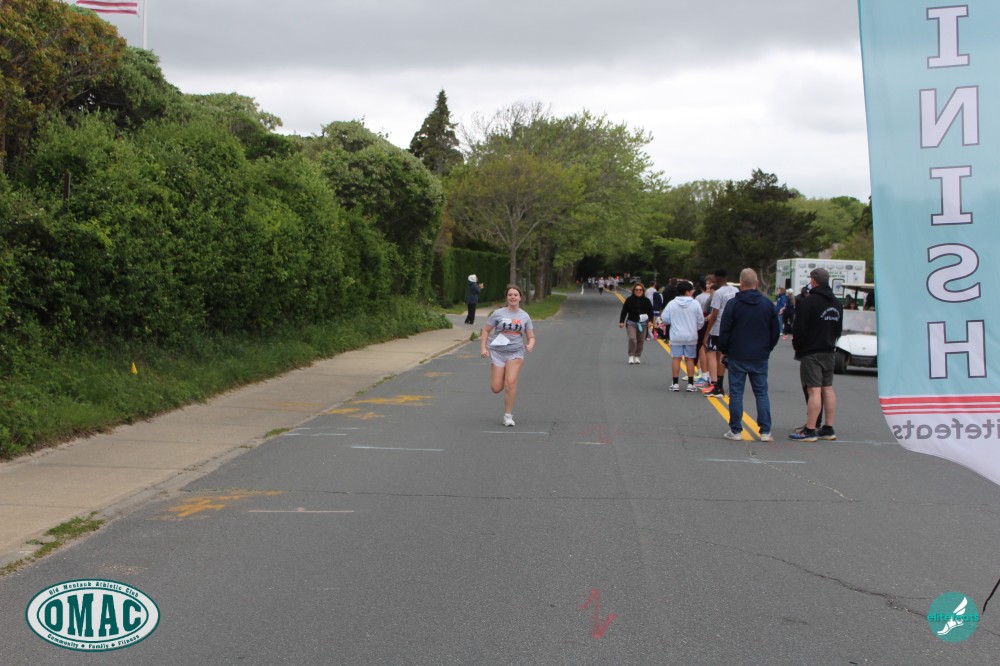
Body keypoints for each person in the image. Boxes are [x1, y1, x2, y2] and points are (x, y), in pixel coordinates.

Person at [718, 268, 780, 441]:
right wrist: (768, 347)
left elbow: (725, 330)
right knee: (761, 393)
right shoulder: (767, 304)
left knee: (736, 393)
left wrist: (724, 350)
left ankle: (736, 430)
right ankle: (765, 431)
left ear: (741, 283)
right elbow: (775, 331)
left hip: (737, 354)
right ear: (757, 283)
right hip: (760, 354)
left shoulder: (733, 304)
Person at [789, 268, 843, 442]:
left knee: (814, 390)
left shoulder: (809, 302)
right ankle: (828, 427)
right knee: (827, 387)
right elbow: (838, 329)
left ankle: (810, 430)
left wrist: (798, 346)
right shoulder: (836, 303)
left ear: (813, 280)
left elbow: (799, 328)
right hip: (829, 349)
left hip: (812, 350)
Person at [480, 284, 535, 427]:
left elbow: (531, 336)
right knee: (496, 388)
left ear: (520, 298)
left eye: (515, 295)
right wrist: (483, 348)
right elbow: (486, 330)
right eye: (510, 295)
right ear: (506, 297)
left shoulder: (524, 316)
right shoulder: (498, 313)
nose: (513, 297)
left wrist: (530, 344)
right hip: (498, 352)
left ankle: (508, 416)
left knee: (510, 383)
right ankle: (505, 375)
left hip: (515, 352)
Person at [701, 269, 738, 396]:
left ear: (717, 278)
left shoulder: (718, 293)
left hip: (718, 328)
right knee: (726, 356)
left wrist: (707, 333)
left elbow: (714, 314)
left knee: (713, 353)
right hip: (732, 327)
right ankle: (731, 386)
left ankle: (717, 385)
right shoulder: (735, 290)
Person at [663, 281, 705, 391]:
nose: (692, 292)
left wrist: (673, 323)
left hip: (676, 335)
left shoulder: (672, 303)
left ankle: (675, 383)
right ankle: (690, 384)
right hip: (691, 335)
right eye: (691, 290)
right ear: (687, 292)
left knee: (676, 359)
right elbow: (701, 320)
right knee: (690, 359)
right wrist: (695, 328)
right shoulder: (695, 303)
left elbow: (665, 319)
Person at [619, 283, 654, 364]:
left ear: (643, 291)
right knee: (632, 338)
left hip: (643, 324)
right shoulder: (629, 300)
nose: (638, 291)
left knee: (641, 340)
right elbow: (624, 311)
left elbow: (650, 312)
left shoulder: (647, 301)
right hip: (631, 322)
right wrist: (621, 321)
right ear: (634, 291)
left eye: (640, 290)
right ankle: (631, 355)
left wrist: (650, 321)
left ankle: (637, 356)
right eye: (637, 290)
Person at [693, 277, 714, 388]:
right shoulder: (717, 296)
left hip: (704, 325)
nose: (707, 286)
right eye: (707, 283)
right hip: (710, 326)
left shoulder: (699, 297)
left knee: (703, 349)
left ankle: (704, 374)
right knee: (711, 352)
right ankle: (709, 375)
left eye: (710, 283)